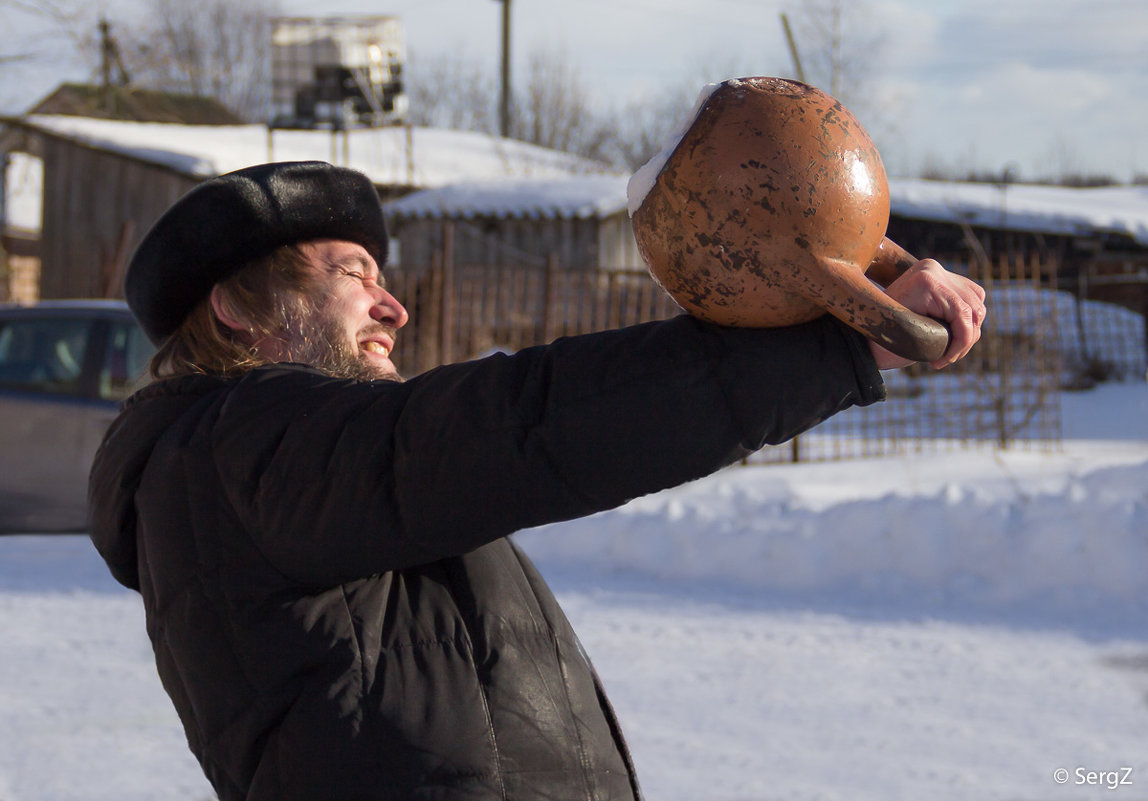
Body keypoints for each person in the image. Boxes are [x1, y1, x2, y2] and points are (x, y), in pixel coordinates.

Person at [88, 161, 985, 801]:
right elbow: (531, 422)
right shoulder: (239, 448)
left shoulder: (277, 469)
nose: (395, 305)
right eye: (353, 275)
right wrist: (835, 341)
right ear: (239, 309)